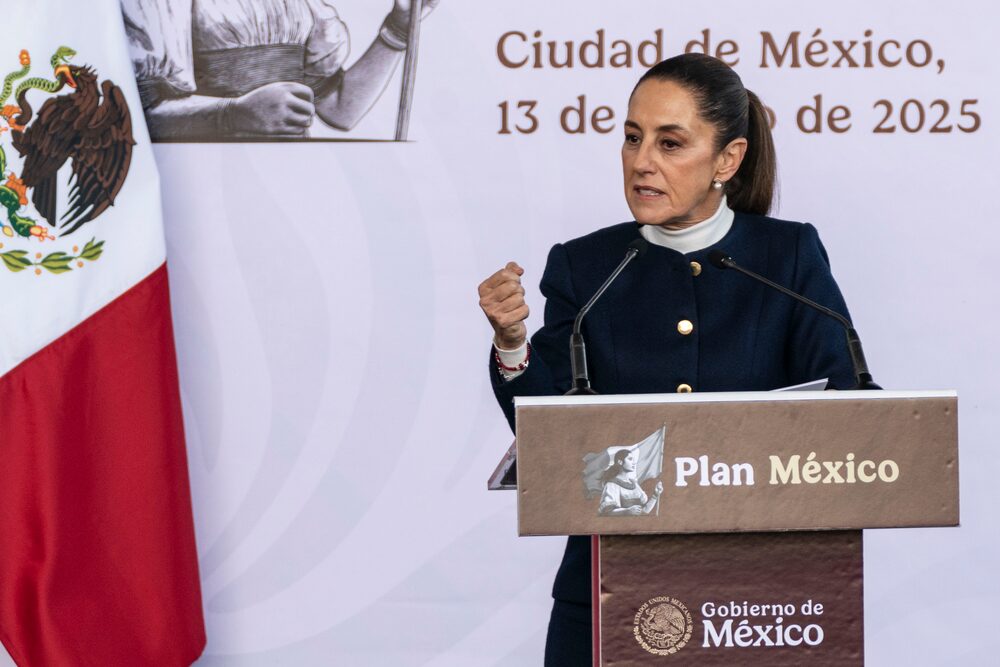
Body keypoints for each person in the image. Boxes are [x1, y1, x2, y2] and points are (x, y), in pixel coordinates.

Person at [477, 53, 857, 666]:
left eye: (670, 142)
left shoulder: (787, 257)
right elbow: (544, 425)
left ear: (726, 161)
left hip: (756, 603)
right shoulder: (586, 267)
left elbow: (847, 407)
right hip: (605, 591)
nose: (641, 161)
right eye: (632, 138)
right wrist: (512, 342)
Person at [120, 0, 438, 140]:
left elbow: (340, 110)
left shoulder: (299, 5)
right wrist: (233, 113)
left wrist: (397, 29)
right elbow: (134, 116)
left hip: (290, 176)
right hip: (208, 185)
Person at [597, 449, 664, 517]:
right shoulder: (612, 485)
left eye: (633, 460)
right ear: (620, 462)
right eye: (630, 459)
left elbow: (644, 511)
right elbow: (608, 512)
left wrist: (655, 495)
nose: (634, 462)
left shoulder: (634, 484)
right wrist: (627, 511)